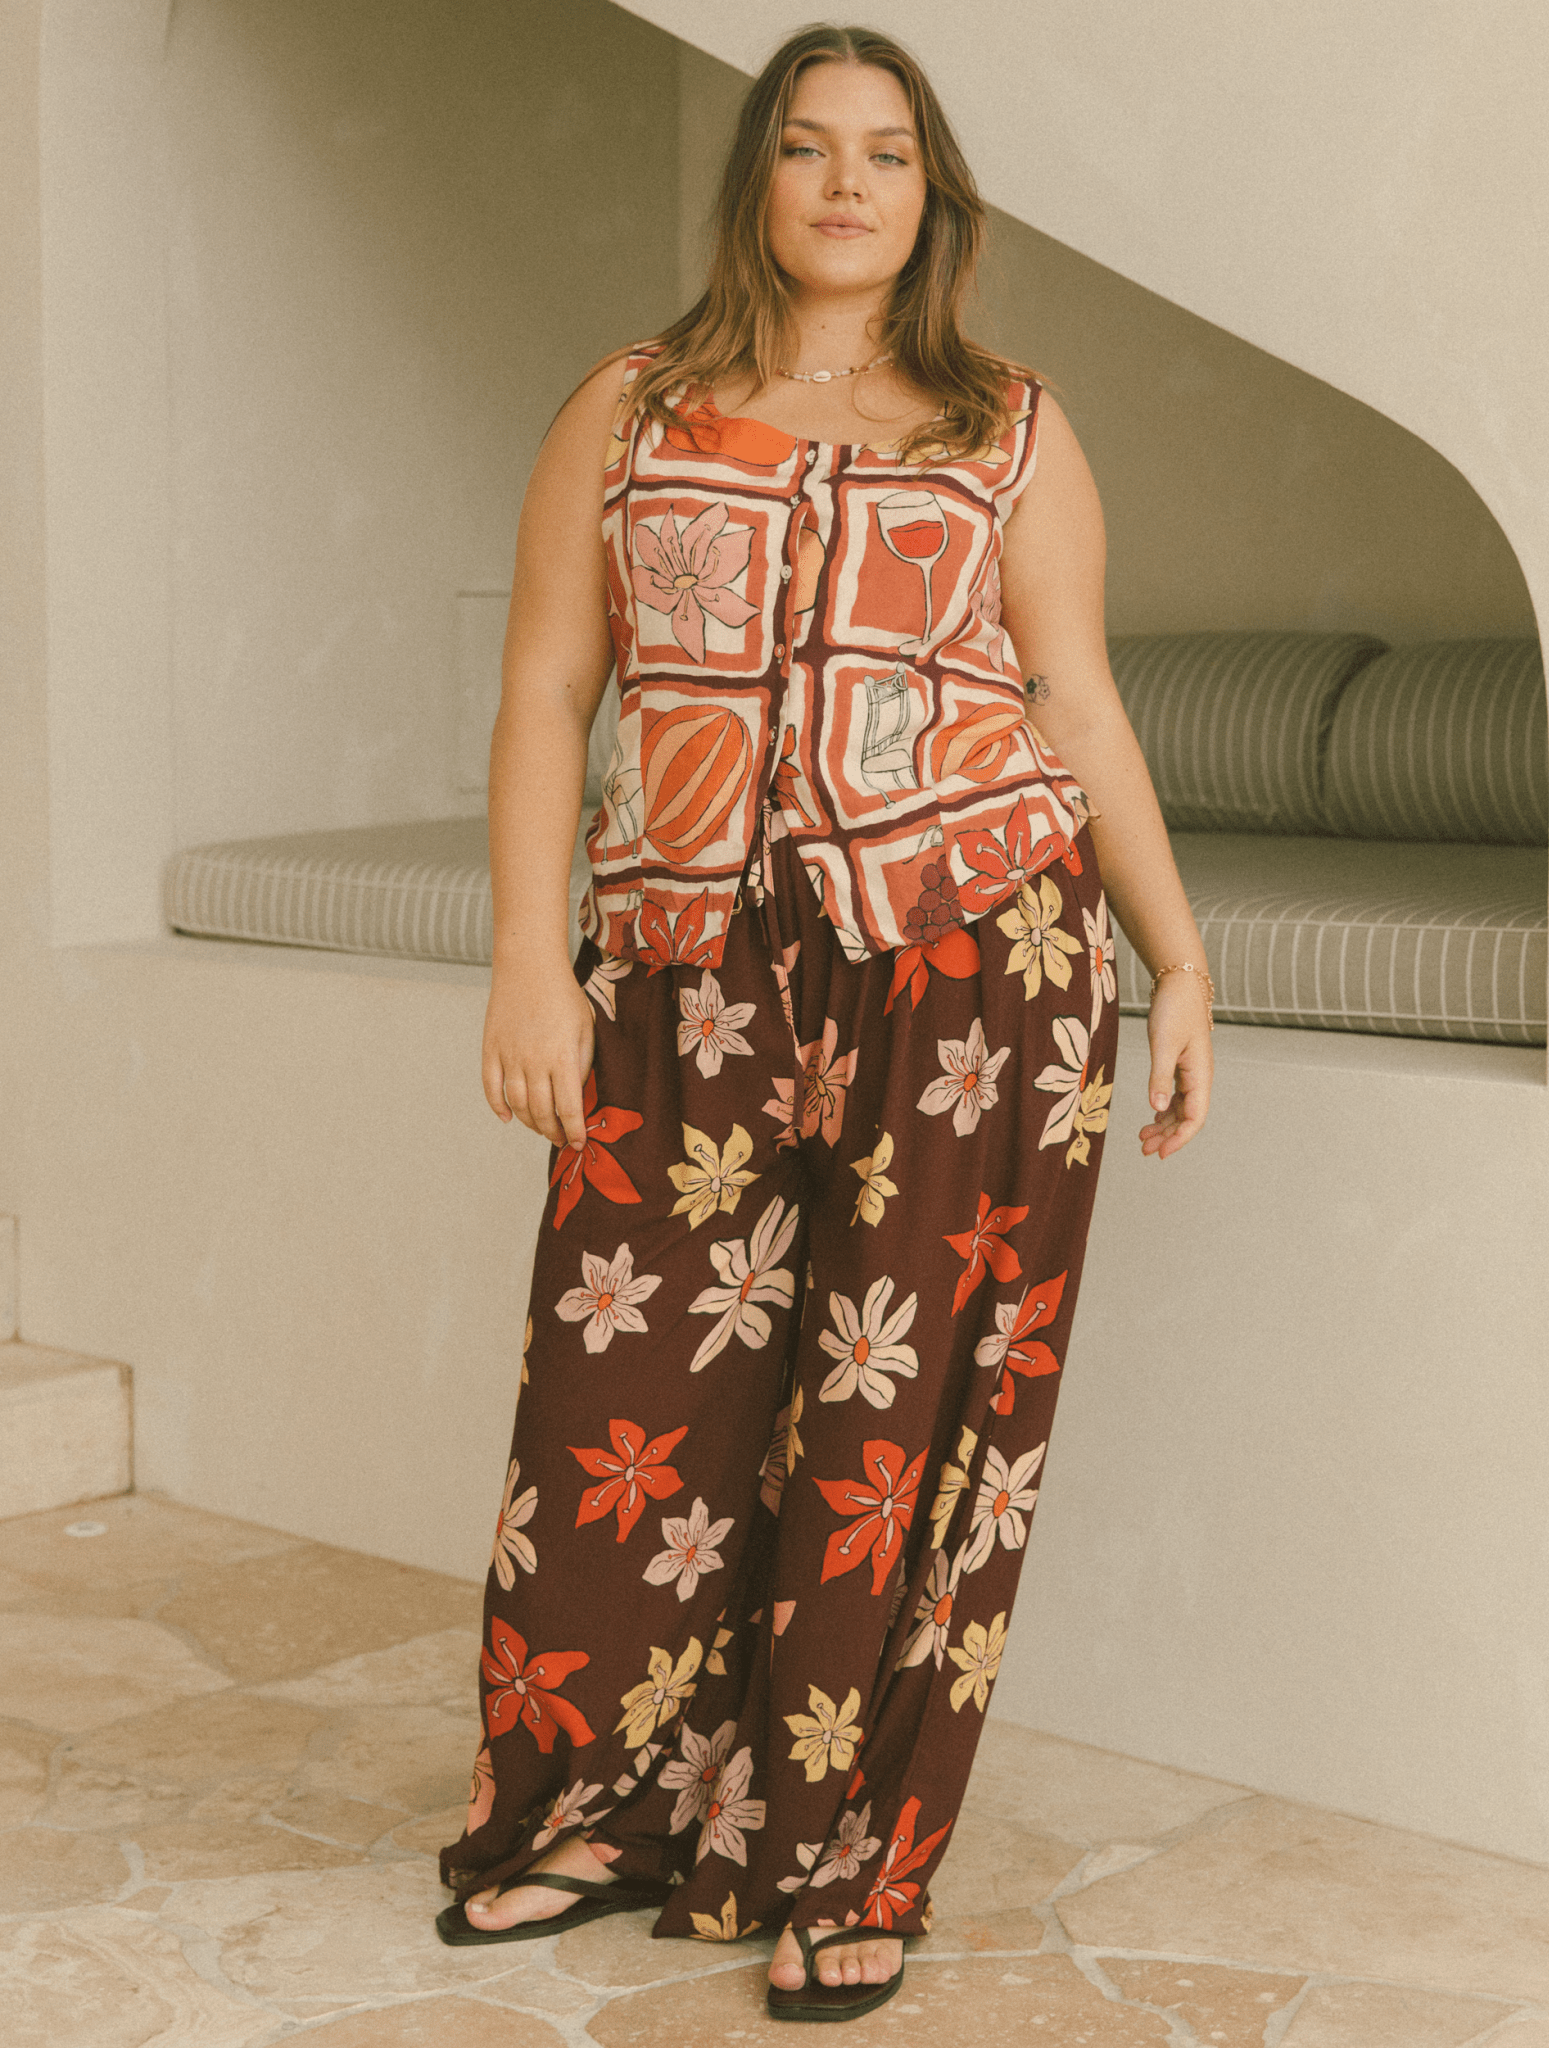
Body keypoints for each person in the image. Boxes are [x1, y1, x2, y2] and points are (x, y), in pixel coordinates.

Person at [434, 21, 1214, 2024]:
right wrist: (528, 958)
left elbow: (1074, 701)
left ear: (932, 195)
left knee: (902, 1433)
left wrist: (1180, 958)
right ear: (757, 181)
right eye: (807, 146)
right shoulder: (629, 405)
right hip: (684, 967)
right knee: (628, 1412)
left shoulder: (1008, 425)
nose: (847, 182)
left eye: (886, 151)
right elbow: (548, 687)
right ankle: (601, 1810)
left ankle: (848, 1860)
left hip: (977, 971)